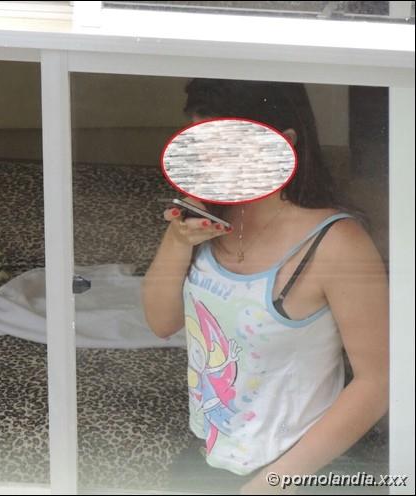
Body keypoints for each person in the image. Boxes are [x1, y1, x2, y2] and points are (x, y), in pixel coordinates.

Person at [142, 78, 389, 494]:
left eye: (226, 149)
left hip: (302, 472)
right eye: (201, 148)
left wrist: (273, 483)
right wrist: (175, 242)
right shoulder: (203, 221)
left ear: (284, 143)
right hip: (206, 457)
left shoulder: (336, 243)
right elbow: (160, 322)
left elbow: (378, 381)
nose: (209, 166)